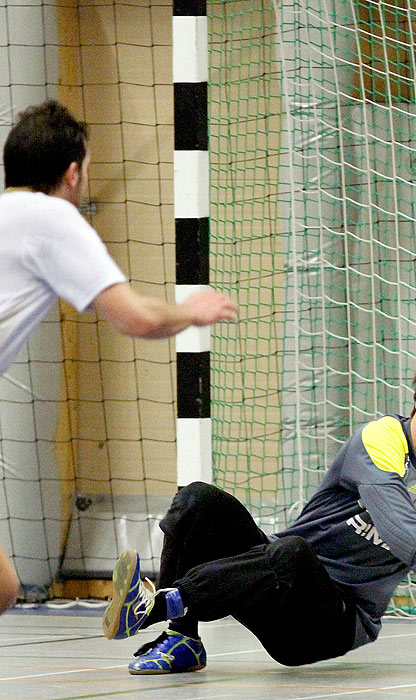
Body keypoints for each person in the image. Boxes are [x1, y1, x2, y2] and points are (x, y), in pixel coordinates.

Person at [101, 356, 416, 675]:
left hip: (333, 621)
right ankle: (182, 638)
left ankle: (154, 606)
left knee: (292, 554)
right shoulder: (380, 439)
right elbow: (402, 528)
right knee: (199, 500)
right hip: (277, 579)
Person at [0, 100, 239, 614]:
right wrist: (190, 311)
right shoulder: (52, 219)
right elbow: (137, 319)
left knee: (1, 587)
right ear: (72, 172)